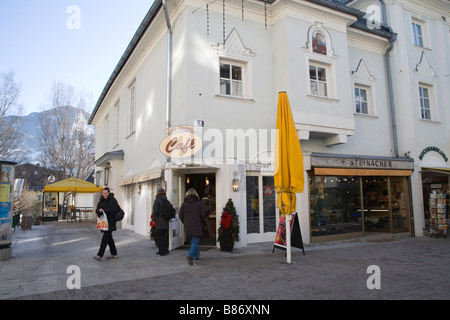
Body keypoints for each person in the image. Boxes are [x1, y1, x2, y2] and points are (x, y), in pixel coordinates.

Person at [179, 188, 206, 265]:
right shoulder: (199, 203)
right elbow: (203, 214)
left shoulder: (184, 204)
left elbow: (180, 215)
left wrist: (185, 221)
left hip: (187, 225)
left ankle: (196, 255)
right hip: (196, 225)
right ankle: (190, 255)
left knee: (193, 242)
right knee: (195, 241)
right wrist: (201, 221)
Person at [93, 187, 121, 260]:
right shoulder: (101, 201)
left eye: (106, 193)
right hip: (104, 222)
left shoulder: (113, 200)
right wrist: (99, 211)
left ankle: (100, 255)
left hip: (110, 222)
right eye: (103, 193)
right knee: (109, 238)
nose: (104, 195)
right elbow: (97, 209)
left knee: (105, 237)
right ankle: (114, 253)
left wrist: (104, 210)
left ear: (108, 193)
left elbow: (115, 209)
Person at [152, 187, 170, 256]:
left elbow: (155, 211)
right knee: (164, 236)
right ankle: (162, 250)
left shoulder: (157, 200)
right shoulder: (166, 200)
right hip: (166, 220)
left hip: (160, 220)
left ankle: (163, 251)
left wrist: (153, 219)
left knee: (160, 236)